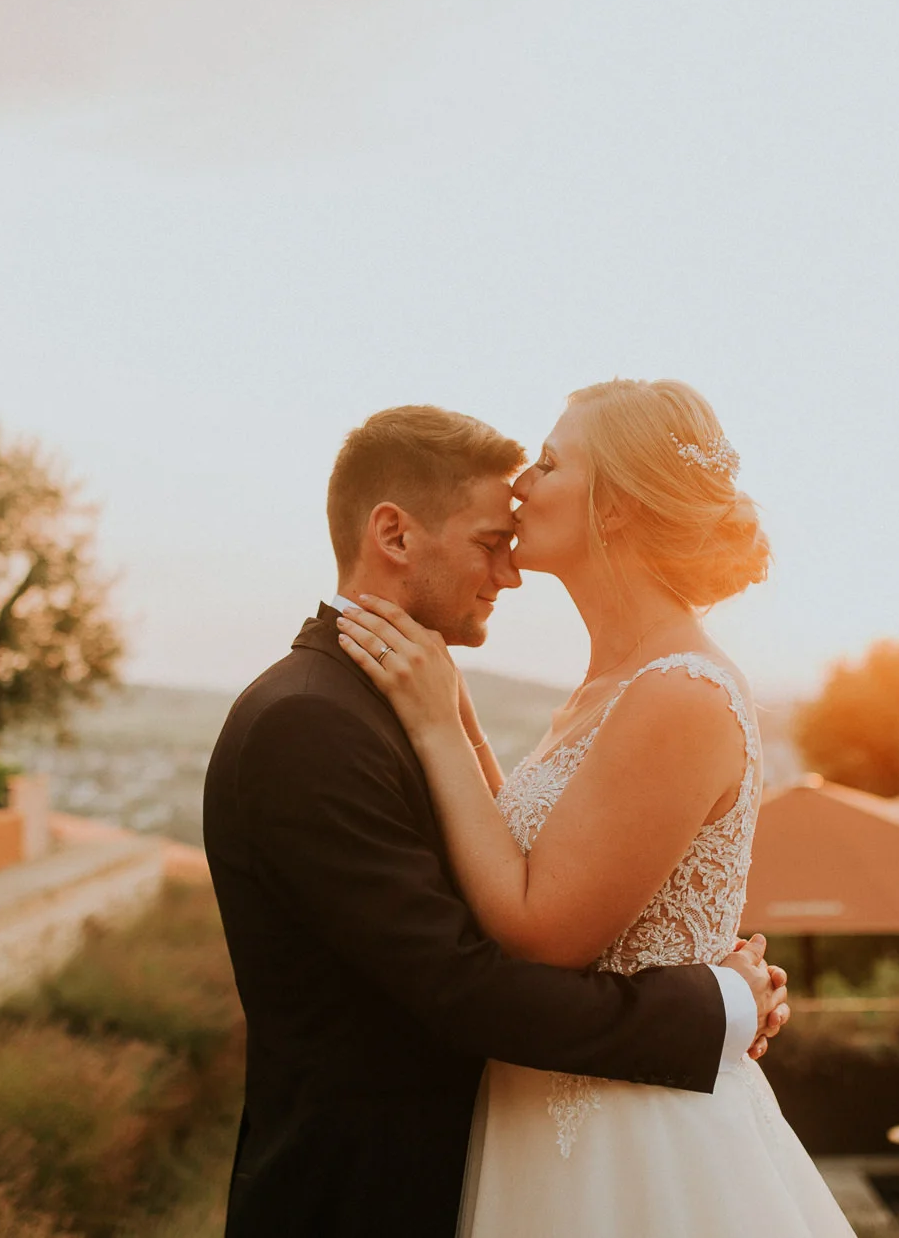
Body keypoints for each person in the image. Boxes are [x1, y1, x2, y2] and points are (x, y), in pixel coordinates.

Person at [203, 404, 791, 1238]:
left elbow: (550, 887)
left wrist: (696, 956)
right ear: (396, 536)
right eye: (489, 542)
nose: (509, 562)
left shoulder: (407, 703)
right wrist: (713, 1004)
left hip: (589, 1161)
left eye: (550, 464)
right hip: (361, 1196)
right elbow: (464, 983)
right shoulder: (310, 722)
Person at [336, 380, 853, 1236]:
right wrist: (462, 724)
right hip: (545, 1119)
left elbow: (541, 929)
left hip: (639, 1150)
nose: (520, 486)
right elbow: (535, 858)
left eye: (547, 462)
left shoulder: (679, 692)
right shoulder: (608, 688)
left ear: (614, 507)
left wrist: (435, 727)